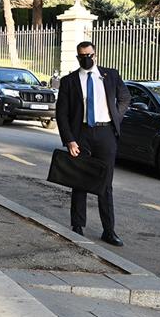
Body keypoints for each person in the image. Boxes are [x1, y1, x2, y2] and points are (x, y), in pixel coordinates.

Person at [55, 41, 130, 247]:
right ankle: (77, 226)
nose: (86, 58)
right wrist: (69, 139)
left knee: (105, 183)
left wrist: (115, 118)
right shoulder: (69, 81)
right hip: (81, 134)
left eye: (89, 55)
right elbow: (61, 113)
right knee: (79, 180)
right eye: (82, 56)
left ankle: (109, 230)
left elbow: (125, 98)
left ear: (95, 54)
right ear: (78, 57)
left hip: (106, 133)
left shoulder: (111, 76)